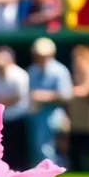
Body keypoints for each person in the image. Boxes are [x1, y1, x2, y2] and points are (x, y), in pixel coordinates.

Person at [25, 38, 72, 167]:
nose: (40, 58)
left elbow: (66, 95)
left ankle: (52, 170)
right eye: (38, 55)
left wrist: (43, 96)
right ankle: (45, 170)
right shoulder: (32, 70)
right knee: (38, 146)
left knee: (47, 146)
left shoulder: (60, 71)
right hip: (35, 114)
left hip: (54, 113)